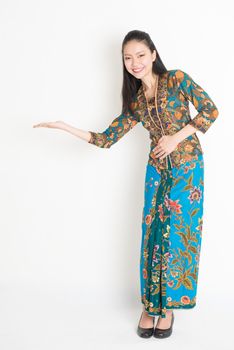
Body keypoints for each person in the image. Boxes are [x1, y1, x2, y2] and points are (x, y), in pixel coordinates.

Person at [33, 30, 219, 339]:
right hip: (156, 172)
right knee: (153, 236)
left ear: (153, 54)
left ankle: (168, 307)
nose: (135, 63)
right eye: (128, 57)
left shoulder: (177, 79)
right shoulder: (136, 101)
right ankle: (150, 306)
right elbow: (106, 139)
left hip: (188, 170)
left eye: (140, 55)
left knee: (177, 237)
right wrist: (65, 127)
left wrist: (174, 139)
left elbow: (211, 111)